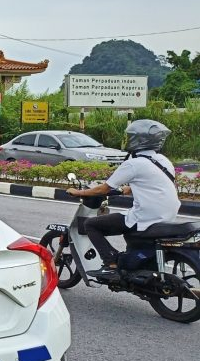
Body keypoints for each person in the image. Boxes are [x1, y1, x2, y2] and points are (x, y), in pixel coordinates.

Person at [66, 119, 180, 278]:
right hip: (166, 216)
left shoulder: (134, 164)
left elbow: (104, 189)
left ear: (138, 139)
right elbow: (156, 184)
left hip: (145, 217)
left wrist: (79, 193)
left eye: (129, 136)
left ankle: (111, 262)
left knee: (90, 224)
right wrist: (130, 188)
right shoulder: (163, 161)